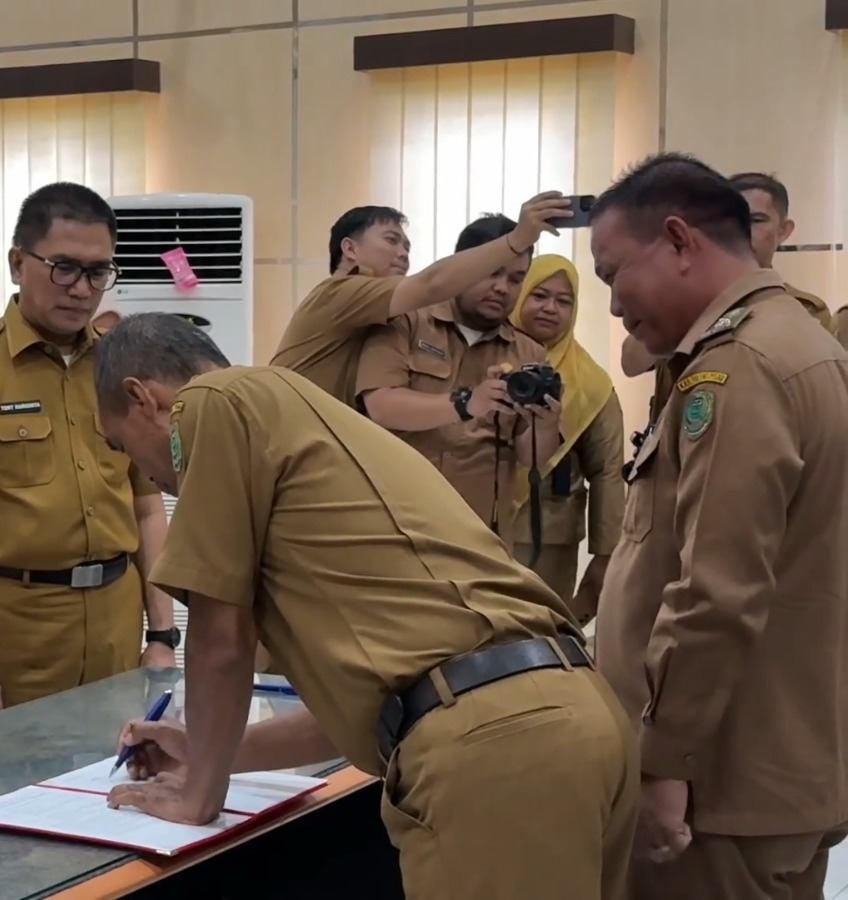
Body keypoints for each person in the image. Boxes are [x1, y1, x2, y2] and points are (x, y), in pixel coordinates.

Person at [91, 312, 636, 900]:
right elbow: (397, 705)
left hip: (498, 754)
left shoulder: (210, 402)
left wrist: (199, 794)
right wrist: (209, 752)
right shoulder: (308, 421)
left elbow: (221, 639)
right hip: (572, 718)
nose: (142, 472)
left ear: (143, 398)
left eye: (122, 445)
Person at [589, 152, 848, 897]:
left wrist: (664, 763)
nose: (614, 305)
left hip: (719, 784)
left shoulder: (737, 369)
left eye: (613, 274)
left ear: (678, 240)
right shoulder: (802, 344)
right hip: (777, 760)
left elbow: (716, 591)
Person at [0, 182, 176, 714]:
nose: (81, 289)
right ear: (17, 263)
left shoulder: (120, 368)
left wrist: (163, 635)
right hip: (15, 638)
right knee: (9, 767)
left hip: (116, 629)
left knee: (116, 763)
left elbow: (147, 508)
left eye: (97, 272)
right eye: (64, 268)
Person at [355, 214, 562, 536]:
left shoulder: (529, 352)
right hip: (397, 521)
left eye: (516, 279)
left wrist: (545, 425)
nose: (502, 288)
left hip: (479, 530)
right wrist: (467, 403)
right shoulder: (406, 321)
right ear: (464, 266)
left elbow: (531, 457)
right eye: (492, 273)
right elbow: (381, 407)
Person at [268, 194, 574, 406]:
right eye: (391, 240)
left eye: (407, 246)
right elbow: (432, 284)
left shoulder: (526, 350)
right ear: (350, 249)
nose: (403, 253)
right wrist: (518, 239)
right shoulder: (341, 292)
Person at [620, 172, 831, 418]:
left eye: (756, 220)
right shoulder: (689, 297)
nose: (744, 231)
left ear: (784, 231)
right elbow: (631, 363)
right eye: (733, 221)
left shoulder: (805, 310)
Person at [507, 255, 625, 624]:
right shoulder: (484, 357)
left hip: (549, 533)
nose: (550, 308)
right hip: (476, 518)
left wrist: (606, 553)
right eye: (539, 295)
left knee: (541, 631)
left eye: (564, 301)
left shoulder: (591, 382)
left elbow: (608, 470)